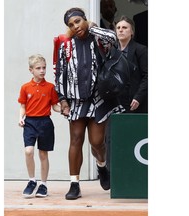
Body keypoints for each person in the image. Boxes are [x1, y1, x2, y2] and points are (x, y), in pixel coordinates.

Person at [55, 7, 125, 200]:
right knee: (76, 140)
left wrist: (92, 27)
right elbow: (60, 73)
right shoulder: (66, 46)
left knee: (96, 142)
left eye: (78, 21)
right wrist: (62, 99)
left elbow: (113, 37)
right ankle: (74, 184)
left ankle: (102, 166)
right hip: (76, 101)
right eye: (71, 25)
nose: (75, 27)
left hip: (98, 99)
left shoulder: (98, 39)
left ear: (84, 19)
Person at [18, 54, 61, 198]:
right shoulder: (25, 87)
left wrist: (64, 109)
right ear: (31, 70)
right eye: (38, 68)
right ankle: (32, 181)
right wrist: (21, 118)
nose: (42, 71)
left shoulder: (50, 87)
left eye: (44, 68)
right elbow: (23, 106)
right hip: (30, 122)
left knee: (43, 154)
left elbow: (54, 106)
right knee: (28, 151)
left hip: (45, 123)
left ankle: (43, 184)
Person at [115, 15, 148, 113]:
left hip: (134, 102)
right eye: (118, 28)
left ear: (132, 32)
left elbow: (148, 75)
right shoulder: (111, 50)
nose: (121, 30)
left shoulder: (141, 50)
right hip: (115, 103)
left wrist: (138, 97)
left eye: (125, 28)